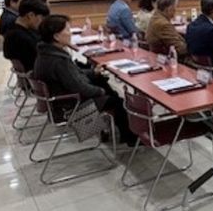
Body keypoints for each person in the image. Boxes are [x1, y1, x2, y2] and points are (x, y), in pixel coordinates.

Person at [33, 14, 136, 145]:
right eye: (67, 30)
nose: (70, 33)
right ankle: (129, 137)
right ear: (56, 36)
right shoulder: (58, 61)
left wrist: (93, 72)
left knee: (101, 79)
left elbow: (74, 74)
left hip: (62, 99)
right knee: (117, 101)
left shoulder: (46, 52)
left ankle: (111, 127)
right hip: (70, 105)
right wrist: (100, 91)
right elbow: (80, 87)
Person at [3, 0, 50, 72]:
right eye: (41, 18)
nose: (42, 22)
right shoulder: (21, 38)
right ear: (30, 15)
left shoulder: (11, 31)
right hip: (37, 73)